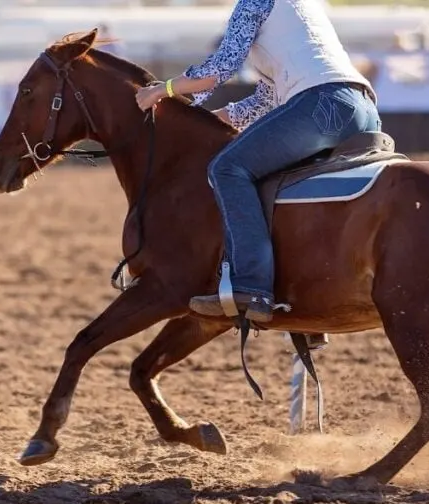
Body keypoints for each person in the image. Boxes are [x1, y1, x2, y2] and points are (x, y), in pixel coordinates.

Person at [135, 0, 380, 323]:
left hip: (319, 106)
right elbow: (266, 99)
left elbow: (218, 70)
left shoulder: (253, 3)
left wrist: (162, 90)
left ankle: (252, 285)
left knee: (228, 168)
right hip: (362, 111)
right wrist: (207, 124)